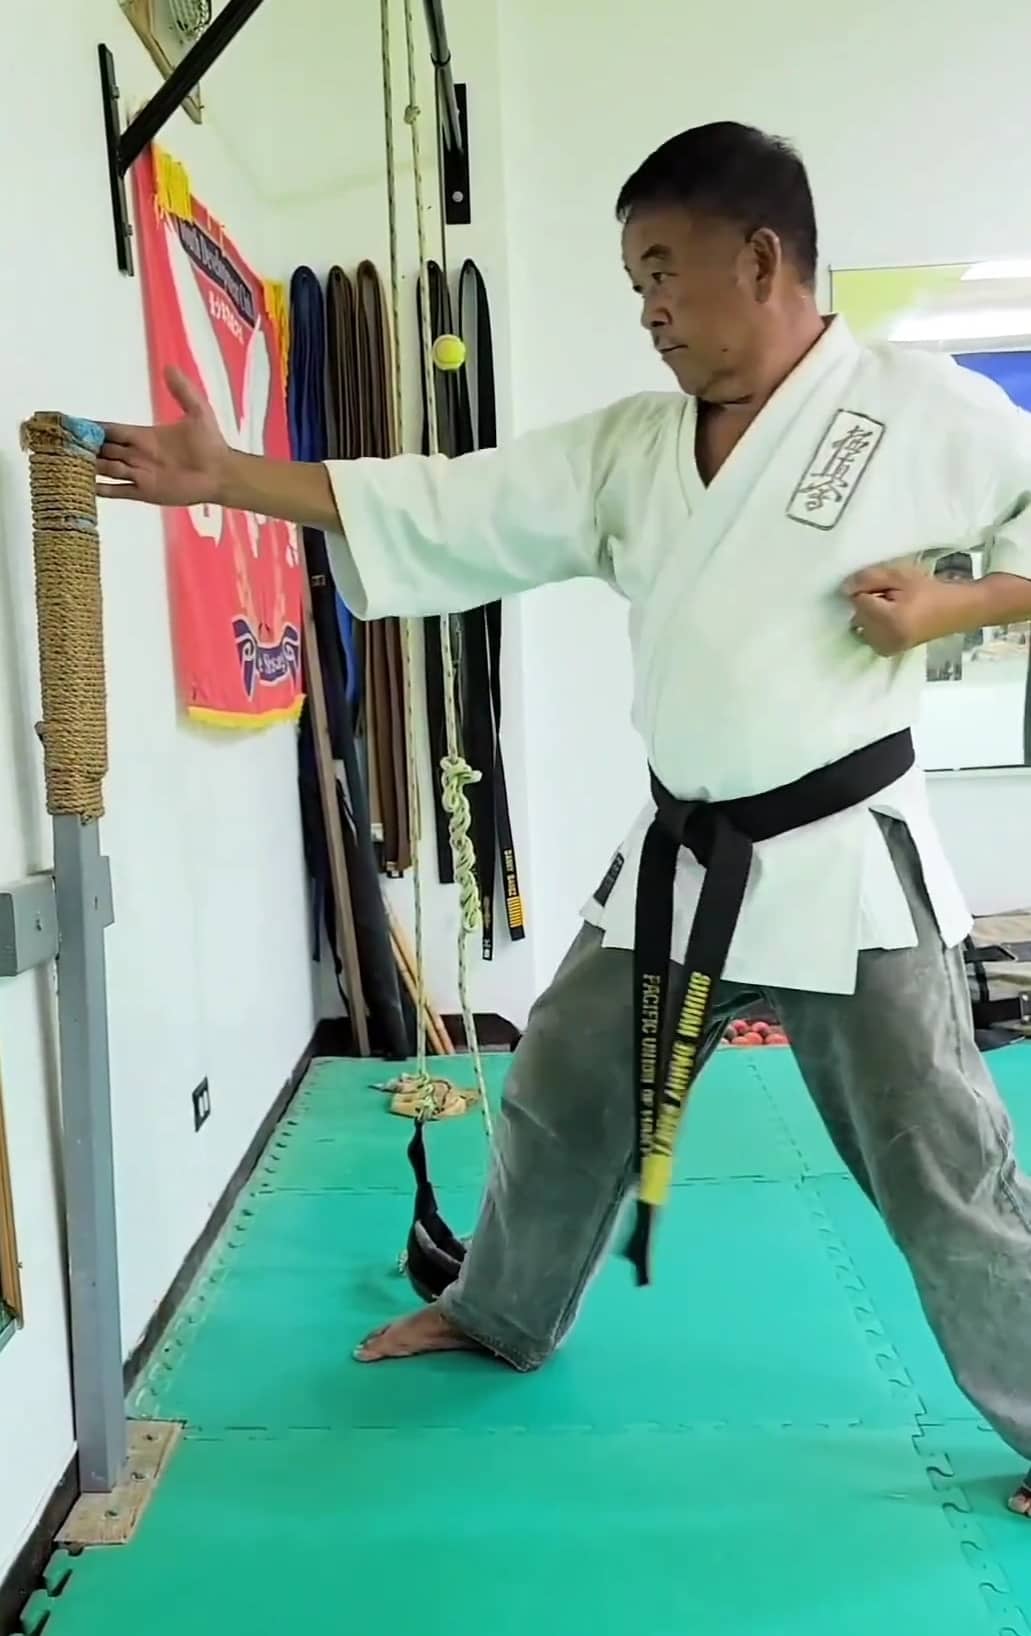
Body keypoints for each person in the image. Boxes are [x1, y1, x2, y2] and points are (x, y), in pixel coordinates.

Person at [96, 122, 1031, 1514]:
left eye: (664, 272)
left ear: (761, 257)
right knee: (562, 1087)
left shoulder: (924, 407)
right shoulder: (635, 449)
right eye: (632, 280)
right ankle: (503, 1313)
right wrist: (233, 477)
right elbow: (452, 503)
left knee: (941, 1167)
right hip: (683, 859)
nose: (647, 309)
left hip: (851, 875)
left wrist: (957, 603)